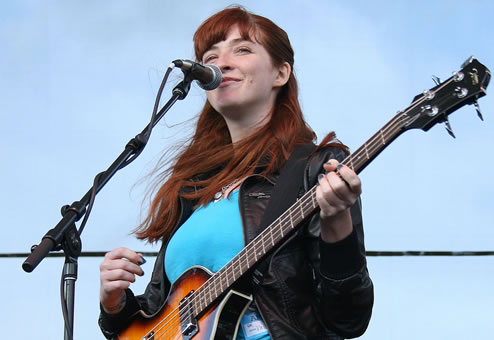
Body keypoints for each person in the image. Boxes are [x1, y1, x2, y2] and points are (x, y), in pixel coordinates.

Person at [98, 6, 373, 339]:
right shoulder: (191, 188)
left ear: (280, 74)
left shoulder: (314, 169)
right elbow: (157, 320)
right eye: (211, 56)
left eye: (242, 49)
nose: (222, 62)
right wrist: (115, 304)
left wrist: (337, 222)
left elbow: (348, 319)